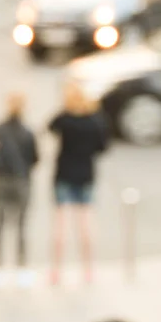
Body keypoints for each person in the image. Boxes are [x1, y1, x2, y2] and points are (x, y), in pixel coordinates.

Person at [48, 83, 111, 285]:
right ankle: (88, 270)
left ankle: (57, 270)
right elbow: (103, 147)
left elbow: (50, 127)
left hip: (64, 173)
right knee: (86, 224)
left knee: (61, 224)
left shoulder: (65, 120)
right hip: (86, 174)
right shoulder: (95, 121)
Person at [0, 92, 38, 288]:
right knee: (21, 226)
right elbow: (34, 158)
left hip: (3, 181)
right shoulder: (27, 132)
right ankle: (21, 266)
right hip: (21, 181)